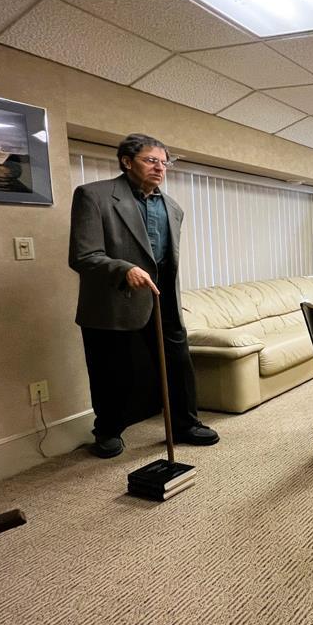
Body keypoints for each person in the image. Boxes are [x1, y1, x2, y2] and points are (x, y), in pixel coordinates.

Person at [69, 133, 219, 458]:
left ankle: (185, 424)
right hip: (113, 304)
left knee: (178, 366)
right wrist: (123, 269)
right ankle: (107, 431)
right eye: (151, 160)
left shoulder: (173, 207)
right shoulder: (93, 196)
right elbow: (82, 256)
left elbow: (164, 259)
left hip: (162, 299)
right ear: (126, 161)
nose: (160, 168)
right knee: (112, 372)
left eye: (164, 163)